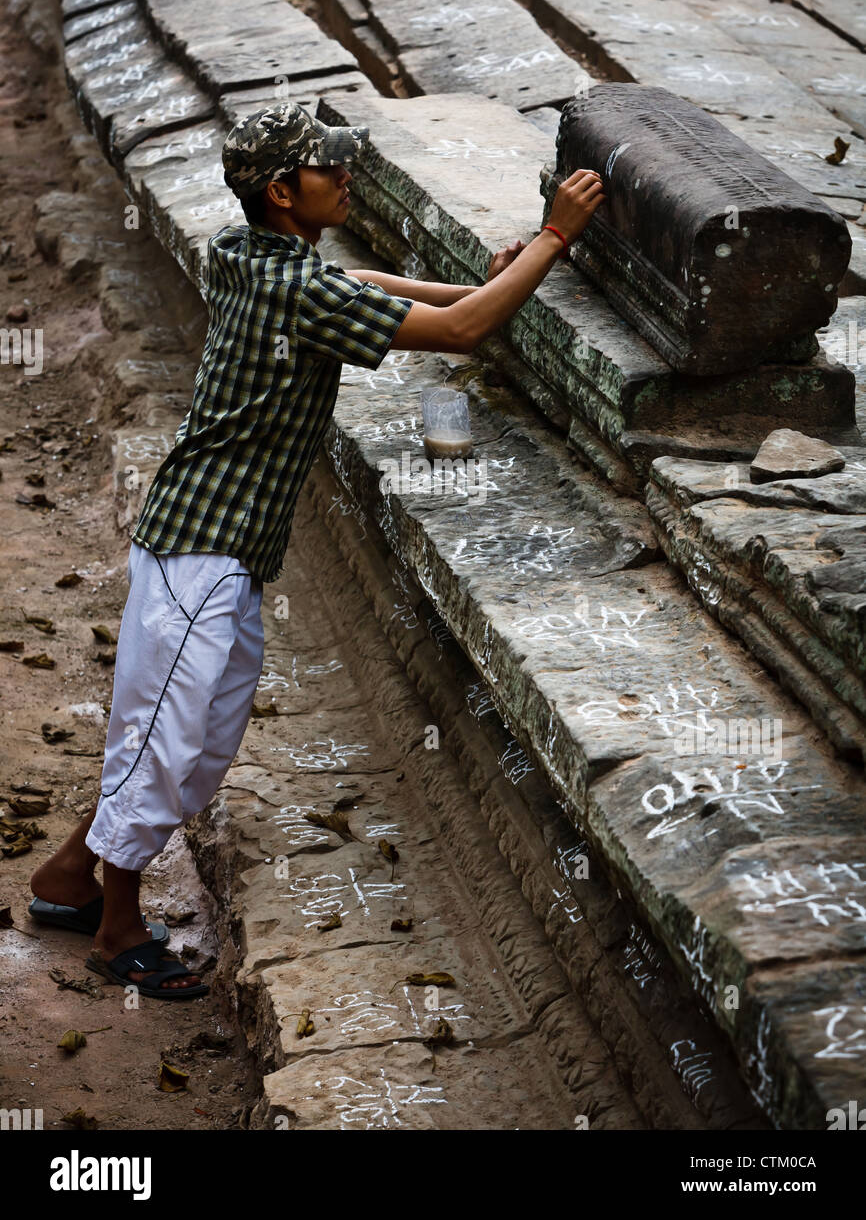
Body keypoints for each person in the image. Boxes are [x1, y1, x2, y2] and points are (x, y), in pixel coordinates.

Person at [29, 100, 605, 1000]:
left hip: (220, 552)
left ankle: (67, 875)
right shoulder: (297, 289)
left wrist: (493, 283)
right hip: (199, 553)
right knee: (163, 741)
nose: (348, 179)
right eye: (329, 170)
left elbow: (381, 292)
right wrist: (553, 241)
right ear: (282, 192)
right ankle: (116, 928)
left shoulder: (251, 255)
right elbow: (455, 334)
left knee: (198, 743)